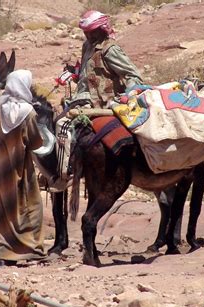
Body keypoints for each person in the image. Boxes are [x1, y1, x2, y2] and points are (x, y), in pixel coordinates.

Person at [54, 10, 143, 180]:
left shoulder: (110, 50)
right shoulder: (87, 46)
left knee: (62, 124)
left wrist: (128, 95)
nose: (87, 35)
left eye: (91, 31)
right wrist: (74, 74)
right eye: (85, 32)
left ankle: (64, 172)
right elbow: (88, 72)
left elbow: (133, 75)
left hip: (101, 102)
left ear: (101, 30)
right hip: (81, 98)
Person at [0, 69, 46, 266]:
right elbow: (35, 141)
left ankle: (2, 251)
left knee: (1, 206)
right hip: (19, 163)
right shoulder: (28, 112)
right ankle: (30, 249)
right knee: (30, 205)